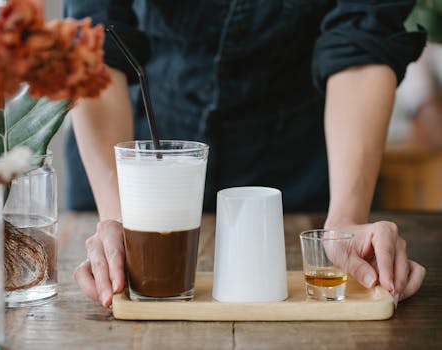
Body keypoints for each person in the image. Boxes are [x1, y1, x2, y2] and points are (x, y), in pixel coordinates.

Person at [64, 0, 427, 307]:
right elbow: (93, 43)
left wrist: (346, 220)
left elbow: (362, 34)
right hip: (142, 153)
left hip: (305, 155)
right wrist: (123, 222)